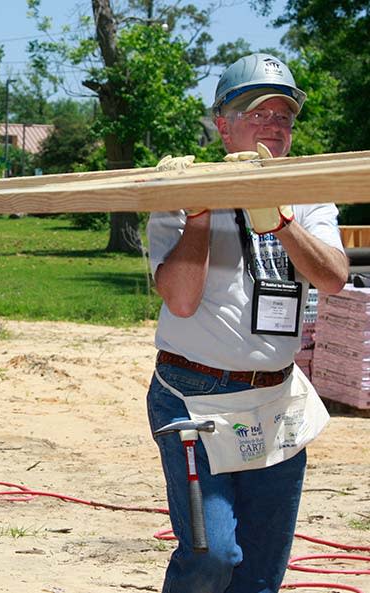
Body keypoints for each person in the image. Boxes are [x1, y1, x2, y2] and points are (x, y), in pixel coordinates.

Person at [146, 53, 349, 593]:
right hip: (195, 395)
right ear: (223, 124)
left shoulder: (307, 190)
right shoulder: (178, 191)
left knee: (261, 572)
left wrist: (281, 222)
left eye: (283, 116)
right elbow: (181, 302)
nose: (273, 127)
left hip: (275, 401)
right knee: (213, 555)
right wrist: (199, 213)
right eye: (257, 114)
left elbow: (331, 278)